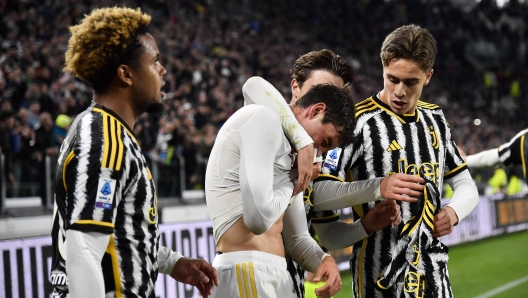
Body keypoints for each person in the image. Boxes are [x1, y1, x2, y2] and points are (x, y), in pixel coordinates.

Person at [49, 7, 218, 298]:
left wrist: (171, 262)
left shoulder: (102, 129)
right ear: (126, 74)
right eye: (155, 62)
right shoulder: (105, 138)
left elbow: (117, 232)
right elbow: (85, 252)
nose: (163, 70)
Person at [311, 25, 479, 297]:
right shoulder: (356, 123)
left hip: (434, 274)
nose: (399, 91)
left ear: (428, 77)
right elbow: (316, 194)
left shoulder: (435, 119)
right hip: (379, 280)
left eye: (410, 82)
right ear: (382, 70)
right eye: (392, 79)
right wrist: (378, 187)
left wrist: (454, 212)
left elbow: (465, 183)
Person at [242, 49, 425, 298]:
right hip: (246, 277)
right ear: (295, 87)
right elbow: (253, 85)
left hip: (289, 282)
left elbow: (321, 232)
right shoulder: (264, 122)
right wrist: (377, 186)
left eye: (336, 94)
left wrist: (365, 226)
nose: (328, 102)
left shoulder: (321, 153)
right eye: (321, 89)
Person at [205, 83, 357, 298]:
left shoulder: (288, 154)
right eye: (323, 142)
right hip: (246, 270)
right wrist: (296, 175)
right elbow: (257, 220)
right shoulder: (262, 118)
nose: (318, 154)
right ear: (316, 111)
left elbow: (296, 238)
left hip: (272, 275)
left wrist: (324, 260)